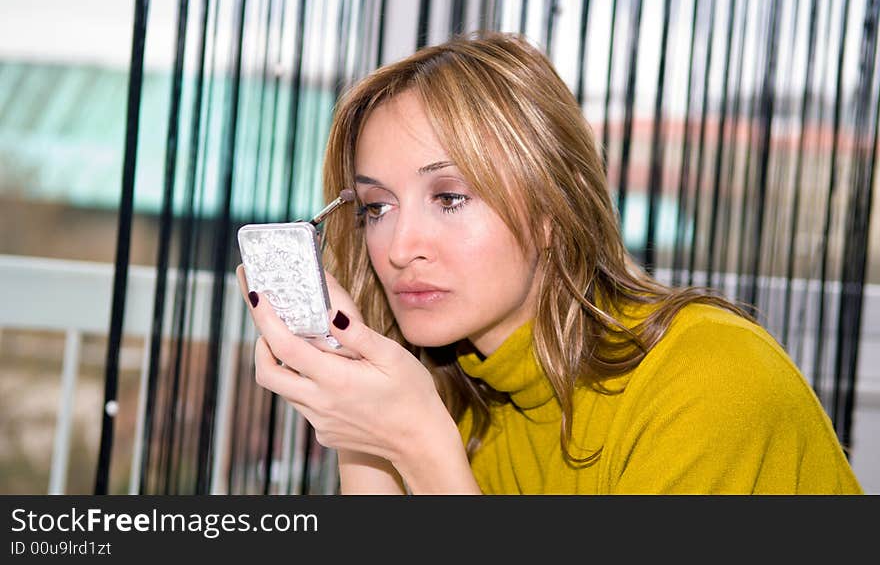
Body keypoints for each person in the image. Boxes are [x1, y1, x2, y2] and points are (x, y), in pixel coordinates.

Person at [236, 31, 863, 494]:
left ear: (550, 209)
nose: (399, 249)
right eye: (376, 207)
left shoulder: (710, 383)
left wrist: (420, 448)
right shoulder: (445, 389)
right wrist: (365, 442)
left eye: (450, 197)